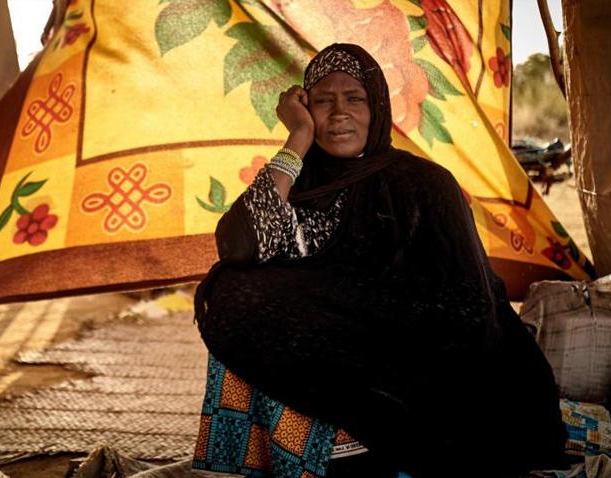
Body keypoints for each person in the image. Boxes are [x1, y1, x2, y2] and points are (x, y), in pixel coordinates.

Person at [192, 43, 568, 478]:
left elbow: (470, 306)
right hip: (338, 353)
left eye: (355, 99)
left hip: (428, 360)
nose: (338, 114)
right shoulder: (295, 181)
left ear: (379, 107)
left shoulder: (425, 183)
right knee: (232, 293)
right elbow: (239, 246)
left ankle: (384, 442)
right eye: (322, 102)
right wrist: (296, 141)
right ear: (303, 110)